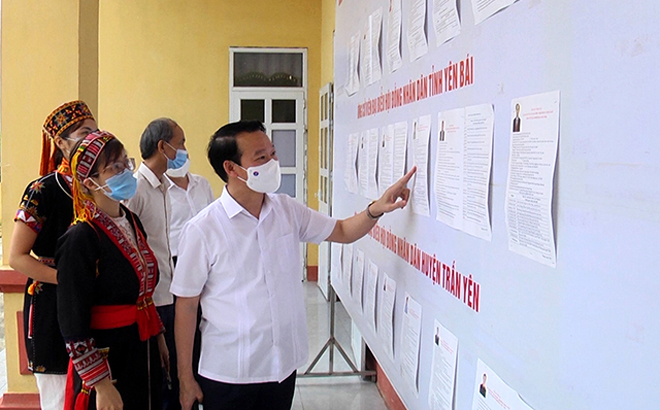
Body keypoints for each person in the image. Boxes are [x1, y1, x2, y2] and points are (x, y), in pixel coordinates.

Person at [172, 120, 416, 410]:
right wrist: (185, 379)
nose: (274, 162)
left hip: (280, 368)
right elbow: (186, 306)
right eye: (261, 157)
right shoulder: (203, 229)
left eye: (273, 153)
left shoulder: (286, 210)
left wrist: (376, 208)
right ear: (232, 168)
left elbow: (342, 231)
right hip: (229, 374)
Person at [56, 131, 167, 409]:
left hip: (142, 344)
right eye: (113, 168)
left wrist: (159, 337)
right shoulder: (81, 238)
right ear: (89, 181)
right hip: (108, 356)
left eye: (124, 164)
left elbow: (144, 292)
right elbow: (72, 321)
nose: (125, 172)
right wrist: (100, 383)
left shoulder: (131, 220)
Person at [8, 100, 96, 410]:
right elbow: (17, 257)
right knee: (61, 397)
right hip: (53, 305)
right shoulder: (42, 190)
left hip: (94, 302)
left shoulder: (98, 187)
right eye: (85, 132)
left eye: (95, 131)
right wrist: (68, 279)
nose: (93, 139)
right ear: (60, 142)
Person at [126, 117, 187, 410]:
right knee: (160, 381)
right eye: (181, 143)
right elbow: (128, 245)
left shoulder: (164, 186)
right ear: (163, 147)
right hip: (150, 301)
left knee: (175, 372)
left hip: (169, 291)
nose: (184, 150)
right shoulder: (135, 190)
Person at [164, 154, 214, 380]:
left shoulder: (201, 184)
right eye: (178, 144)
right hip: (175, 264)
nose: (183, 151)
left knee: (207, 326)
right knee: (184, 328)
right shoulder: (160, 189)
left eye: (184, 144)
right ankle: (185, 382)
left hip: (207, 263)